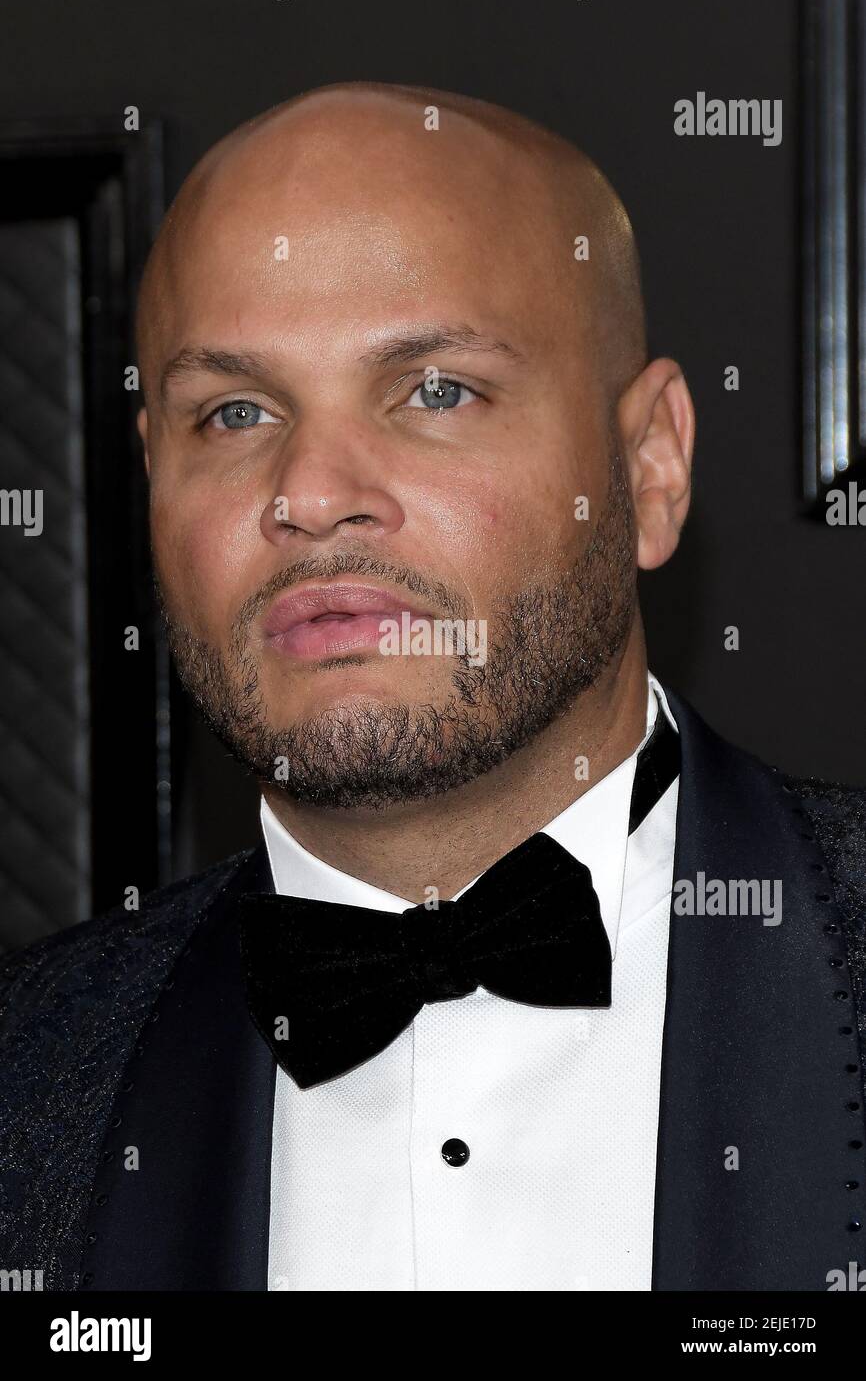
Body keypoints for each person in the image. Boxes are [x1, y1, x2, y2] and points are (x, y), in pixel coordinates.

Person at [1, 82, 864, 1293]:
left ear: (648, 466)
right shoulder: (27, 1078)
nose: (309, 489)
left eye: (433, 389)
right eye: (234, 412)